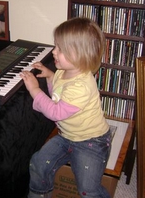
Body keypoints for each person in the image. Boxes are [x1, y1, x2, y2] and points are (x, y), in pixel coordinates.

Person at [20, 17, 112, 198]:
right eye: (56, 46)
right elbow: (58, 94)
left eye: (60, 49)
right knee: (38, 163)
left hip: (91, 142)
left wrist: (34, 89)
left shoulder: (82, 86)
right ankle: (40, 194)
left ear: (80, 54)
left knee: (87, 189)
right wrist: (49, 77)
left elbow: (56, 112)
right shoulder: (63, 71)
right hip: (67, 136)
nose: (54, 51)